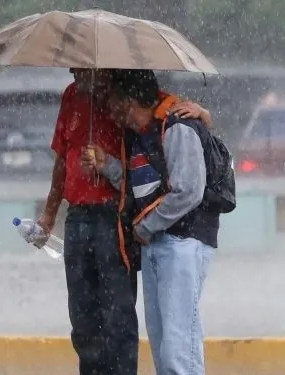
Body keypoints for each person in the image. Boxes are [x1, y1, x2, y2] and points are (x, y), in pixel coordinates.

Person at [35, 68, 212, 375]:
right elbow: (64, 158)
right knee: (85, 319)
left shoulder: (125, 88)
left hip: (117, 217)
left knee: (126, 321)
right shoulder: (72, 96)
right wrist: (50, 213)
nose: (73, 70)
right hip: (83, 217)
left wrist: (204, 114)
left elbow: (169, 114)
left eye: (80, 64)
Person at [90, 69, 217, 375]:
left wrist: (146, 227)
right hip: (155, 244)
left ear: (129, 101)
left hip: (182, 242)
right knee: (162, 342)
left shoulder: (176, 127)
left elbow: (189, 190)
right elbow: (140, 187)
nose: (110, 110)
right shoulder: (141, 136)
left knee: (178, 344)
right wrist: (106, 165)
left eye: (114, 102)